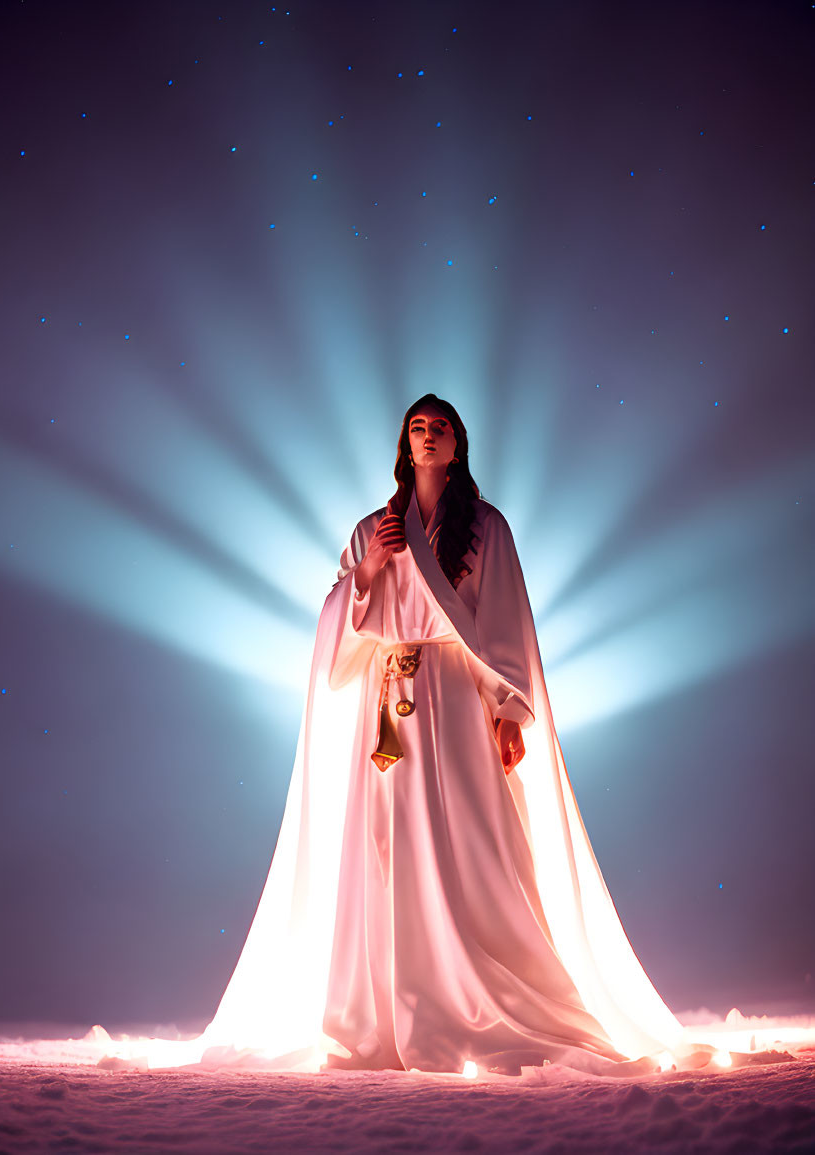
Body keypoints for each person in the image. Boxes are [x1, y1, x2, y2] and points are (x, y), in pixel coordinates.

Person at [194, 394, 686, 1076]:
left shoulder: (487, 527)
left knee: (469, 836)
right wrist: (368, 571)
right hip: (388, 704)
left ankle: (476, 991)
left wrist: (509, 712)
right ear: (404, 443)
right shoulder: (375, 526)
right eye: (417, 428)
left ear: (459, 444)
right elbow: (338, 622)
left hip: (454, 695)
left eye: (440, 428)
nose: (428, 437)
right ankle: (384, 1005)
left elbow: (507, 621)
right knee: (384, 841)